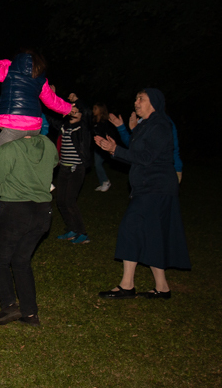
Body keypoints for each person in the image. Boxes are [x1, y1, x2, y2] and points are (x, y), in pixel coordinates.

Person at [95, 89, 190, 300]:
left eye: (141, 99)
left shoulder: (160, 125)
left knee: (130, 228)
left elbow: (146, 157)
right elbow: (135, 155)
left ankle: (127, 285)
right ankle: (162, 288)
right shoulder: (145, 125)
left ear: (154, 103)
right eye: (136, 98)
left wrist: (115, 149)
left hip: (156, 188)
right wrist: (113, 149)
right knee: (151, 234)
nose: (136, 102)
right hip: (147, 188)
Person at [0, 130, 58, 326]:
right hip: (42, 212)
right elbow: (54, 162)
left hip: (15, 211)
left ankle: (9, 305)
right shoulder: (47, 143)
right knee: (21, 260)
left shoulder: (10, 148)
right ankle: (30, 313)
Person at [0, 50, 70, 218]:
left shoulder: (9, 71)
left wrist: (9, 63)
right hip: (34, 126)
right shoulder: (40, 79)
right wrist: (68, 108)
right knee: (33, 151)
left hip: (13, 124)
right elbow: (52, 101)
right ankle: (46, 181)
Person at [50, 93, 93, 244]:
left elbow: (88, 112)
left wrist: (77, 101)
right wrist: (50, 96)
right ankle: (72, 230)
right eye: (71, 110)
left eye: (76, 111)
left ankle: (83, 233)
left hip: (77, 168)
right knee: (61, 201)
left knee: (70, 201)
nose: (73, 112)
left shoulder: (83, 128)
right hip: (64, 168)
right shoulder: (64, 126)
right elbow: (50, 116)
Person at [91, 103, 115, 192]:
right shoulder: (94, 121)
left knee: (98, 164)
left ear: (101, 110)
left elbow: (110, 134)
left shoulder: (105, 122)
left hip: (104, 146)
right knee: (97, 164)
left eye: (95, 108)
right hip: (97, 147)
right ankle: (102, 183)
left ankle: (106, 181)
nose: (93, 110)